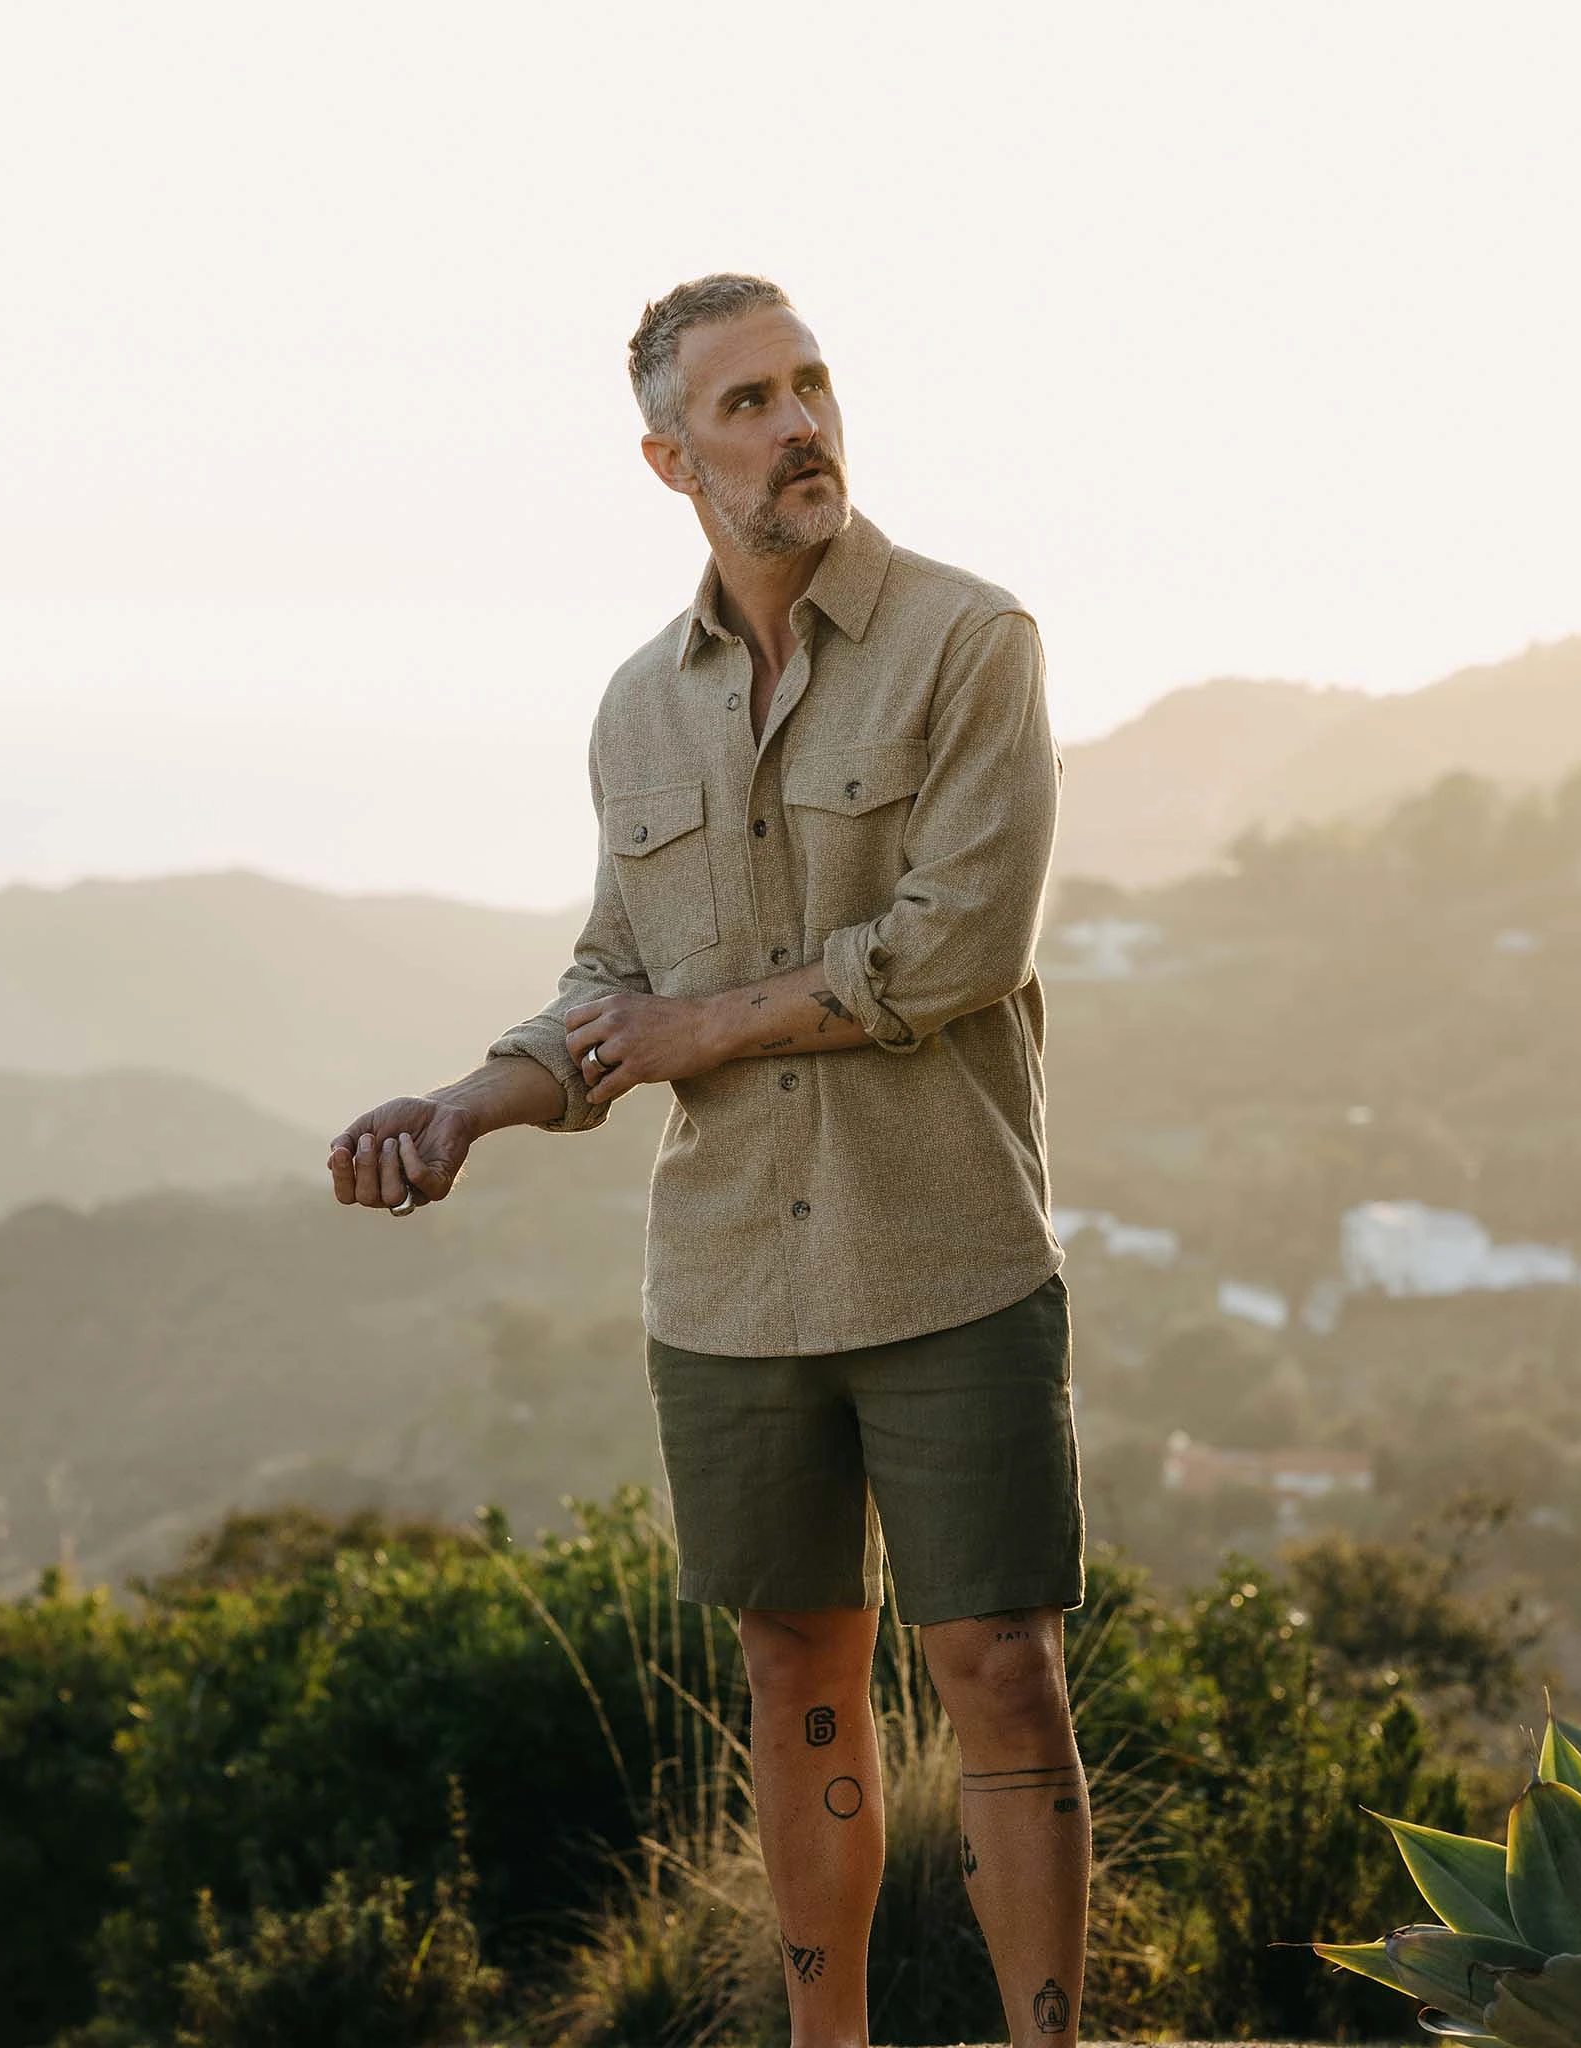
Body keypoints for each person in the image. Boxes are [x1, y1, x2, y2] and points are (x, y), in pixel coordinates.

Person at [327, 273, 1087, 2048]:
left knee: (1001, 1670)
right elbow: (613, 980)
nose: (799, 423)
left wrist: (708, 1029)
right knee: (794, 1674)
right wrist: (462, 1106)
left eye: (812, 385)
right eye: (748, 403)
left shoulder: (973, 643)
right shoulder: (633, 712)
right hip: (731, 1282)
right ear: (670, 457)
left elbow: (960, 941)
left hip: (949, 1252)